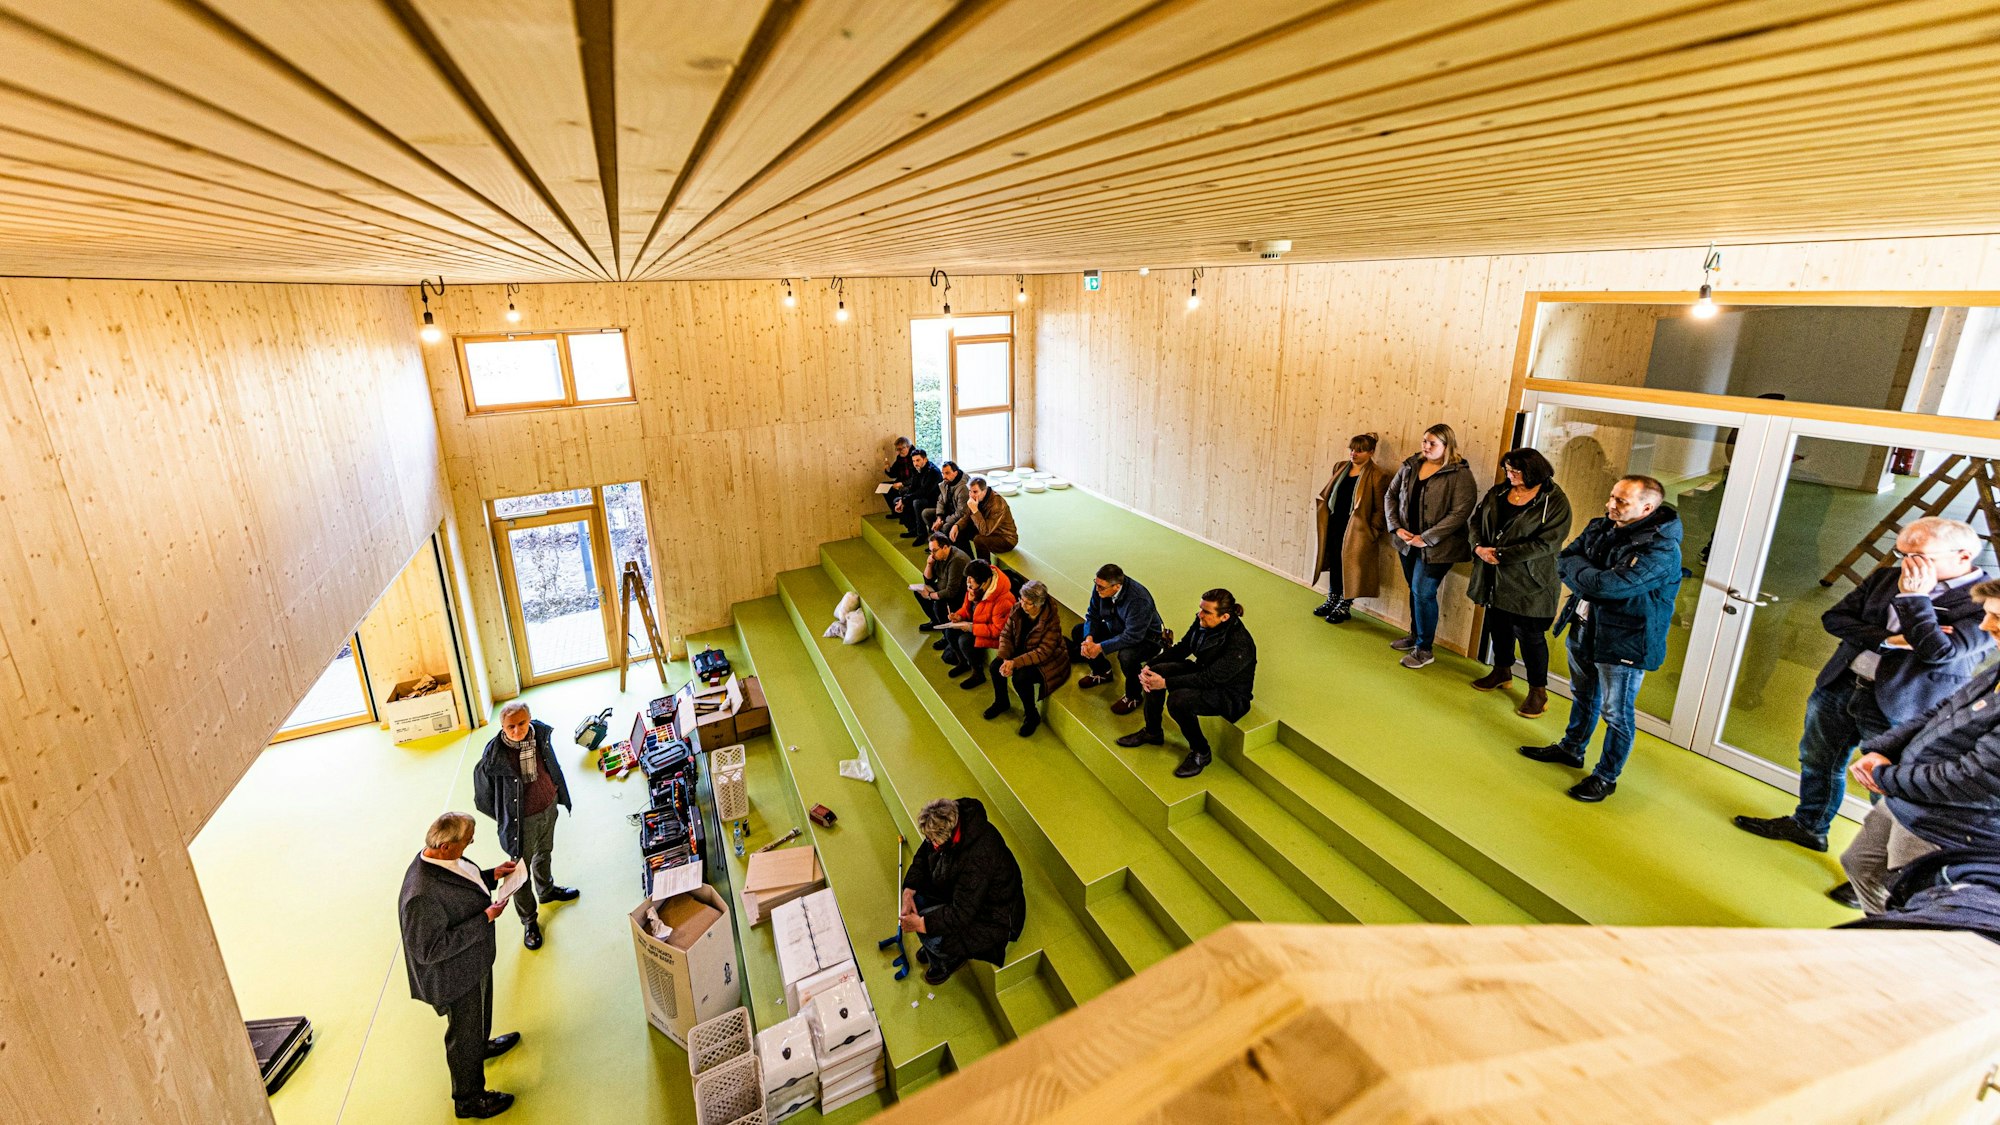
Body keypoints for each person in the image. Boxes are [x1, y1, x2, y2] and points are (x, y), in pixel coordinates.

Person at [1734, 518, 1991, 854]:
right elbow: (1835, 618)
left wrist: (1915, 599)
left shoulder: (1986, 602)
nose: (1908, 565)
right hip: (1841, 685)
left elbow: (1939, 651)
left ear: (1963, 556)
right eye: (1902, 554)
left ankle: (1878, 865)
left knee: (1884, 783)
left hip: (1905, 705)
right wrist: (1889, 640)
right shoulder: (1887, 577)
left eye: (1921, 556)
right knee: (1817, 760)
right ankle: (1809, 825)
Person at [1518, 475, 1684, 802]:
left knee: (1616, 713)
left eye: (1621, 501)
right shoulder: (1602, 526)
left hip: (1624, 643)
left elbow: (1606, 586)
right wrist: (1591, 578)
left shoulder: (1661, 549)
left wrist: (1588, 578)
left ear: (1647, 507)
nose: (1611, 505)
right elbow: (1566, 558)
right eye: (1612, 497)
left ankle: (1606, 777)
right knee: (1583, 694)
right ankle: (1572, 748)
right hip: (1585, 626)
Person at [1840, 577, 2000, 913]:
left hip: (1947, 827)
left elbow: (1972, 778)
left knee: (1908, 904)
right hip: (1908, 799)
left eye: (1997, 618)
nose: (1986, 626)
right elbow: (1943, 711)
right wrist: (1882, 749)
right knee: (1859, 864)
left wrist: (1885, 777)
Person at [398, 812, 521, 1120]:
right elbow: (429, 949)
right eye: (467, 841)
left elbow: (465, 878)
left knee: (480, 1016)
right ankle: (468, 1100)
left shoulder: (444, 860)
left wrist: (493, 874)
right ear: (445, 846)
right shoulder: (420, 895)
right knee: (462, 1037)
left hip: (473, 960)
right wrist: (485, 918)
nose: (471, 843)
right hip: (454, 976)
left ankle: (481, 1046)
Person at [1467, 448, 1573, 718]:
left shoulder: (1555, 501)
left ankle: (1538, 691)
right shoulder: (1499, 492)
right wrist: (1478, 547)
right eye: (1507, 469)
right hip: (1494, 574)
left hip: (1531, 580)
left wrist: (1501, 555)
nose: (1509, 475)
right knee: (1498, 626)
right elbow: (1476, 522)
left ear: (1534, 471)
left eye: (1515, 471)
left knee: (1530, 637)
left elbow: (1546, 543)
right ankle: (1502, 671)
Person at [1115, 588, 1257, 779]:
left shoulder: (1240, 645)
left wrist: (1165, 683)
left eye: (1206, 612)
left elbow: (1209, 679)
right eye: (1200, 609)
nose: (1200, 614)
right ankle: (1152, 732)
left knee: (1178, 701)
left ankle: (1201, 752)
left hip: (1229, 694)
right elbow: (1183, 648)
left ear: (1224, 617)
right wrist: (1149, 666)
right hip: (1203, 671)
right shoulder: (1202, 622)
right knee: (1155, 673)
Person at [472, 702, 577, 951]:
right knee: (519, 874)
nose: (517, 730)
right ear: (502, 727)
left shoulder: (540, 735)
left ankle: (547, 890)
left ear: (530, 718)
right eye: (511, 726)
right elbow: (483, 799)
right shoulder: (493, 756)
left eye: (521, 723)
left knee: (544, 853)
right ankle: (529, 921)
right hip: (521, 822)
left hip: (548, 808)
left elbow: (551, 766)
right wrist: (507, 817)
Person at [900, 797, 1026, 986]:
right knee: (918, 900)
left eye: (934, 840)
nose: (930, 843)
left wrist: (921, 924)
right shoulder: (953, 817)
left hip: (995, 917)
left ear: (947, 836)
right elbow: (924, 853)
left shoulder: (978, 858)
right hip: (970, 896)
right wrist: (909, 890)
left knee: (929, 933)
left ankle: (948, 960)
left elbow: (961, 914)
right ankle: (936, 947)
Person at [1382, 423, 1478, 669]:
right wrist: (1396, 527)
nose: (1426, 446)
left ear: (1446, 446)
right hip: (1407, 542)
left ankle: (1424, 649)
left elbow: (1460, 513)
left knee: (1423, 592)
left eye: (1432, 443)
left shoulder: (1459, 474)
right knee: (1415, 591)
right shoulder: (1411, 465)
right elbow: (1391, 496)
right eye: (1424, 441)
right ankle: (1415, 636)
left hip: (1439, 548)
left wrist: (1426, 538)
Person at [1312, 433, 1389, 624]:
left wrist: (1373, 531)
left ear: (1371, 452)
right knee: (1336, 562)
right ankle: (1332, 598)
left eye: (1360, 450)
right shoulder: (1340, 467)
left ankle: (1345, 605)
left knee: (1351, 566)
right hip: (1335, 524)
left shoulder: (1378, 475)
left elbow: (1381, 509)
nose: (1354, 454)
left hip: (1357, 530)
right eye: (1352, 449)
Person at [1071, 563, 1165, 716]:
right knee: (1079, 631)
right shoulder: (1101, 588)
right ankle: (1102, 672)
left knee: (1127, 656)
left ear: (1116, 587)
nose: (1096, 590)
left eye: (1101, 587)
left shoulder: (1139, 600)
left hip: (1146, 638)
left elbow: (1133, 636)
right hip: (1117, 627)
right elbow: (1092, 615)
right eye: (1095, 584)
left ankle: (1133, 696)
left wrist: (1100, 647)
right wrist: (1089, 639)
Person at [985, 580, 1070, 737]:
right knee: (994, 666)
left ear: (1038, 604)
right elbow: (1006, 633)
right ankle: (1002, 702)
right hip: (1022, 652)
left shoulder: (1051, 621)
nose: (1022, 605)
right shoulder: (1019, 609)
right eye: (1021, 599)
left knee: (1020, 678)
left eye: (1028, 603)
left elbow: (1043, 652)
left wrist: (1015, 663)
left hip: (1048, 662)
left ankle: (1032, 716)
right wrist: (1004, 657)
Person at [940, 560, 1014, 689]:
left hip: (996, 636)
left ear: (984, 583)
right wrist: (959, 616)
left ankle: (977, 673)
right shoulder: (974, 587)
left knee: (965, 640)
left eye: (971, 581)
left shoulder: (1003, 600)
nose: (968, 584)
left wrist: (972, 628)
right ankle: (963, 662)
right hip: (977, 625)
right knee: (950, 632)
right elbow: (966, 608)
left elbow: (999, 630)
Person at [913, 532, 973, 635]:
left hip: (959, 595)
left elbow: (951, 592)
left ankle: (946, 634)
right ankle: (935, 621)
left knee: (938, 605)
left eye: (934, 551)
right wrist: (929, 564)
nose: (932, 554)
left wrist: (930, 595)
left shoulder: (957, 560)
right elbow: (928, 581)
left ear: (945, 547)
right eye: (930, 551)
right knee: (919, 592)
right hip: (943, 588)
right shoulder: (938, 556)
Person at [951, 476, 1018, 560]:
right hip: (987, 528)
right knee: (960, 532)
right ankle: (969, 560)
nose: (971, 495)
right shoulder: (976, 497)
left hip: (1005, 538)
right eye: (970, 491)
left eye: (975, 492)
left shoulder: (997, 504)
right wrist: (957, 525)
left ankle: (984, 569)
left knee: (979, 540)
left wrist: (975, 510)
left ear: (984, 490)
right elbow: (967, 516)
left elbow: (985, 531)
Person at [893, 448, 941, 540]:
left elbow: (924, 491)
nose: (915, 463)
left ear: (925, 459)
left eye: (918, 460)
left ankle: (921, 534)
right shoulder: (917, 469)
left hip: (934, 500)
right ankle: (913, 529)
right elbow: (912, 488)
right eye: (914, 461)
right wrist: (902, 499)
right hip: (923, 496)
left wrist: (904, 499)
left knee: (917, 502)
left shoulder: (934, 472)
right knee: (897, 500)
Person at [926, 460, 969, 537]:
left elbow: (961, 513)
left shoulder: (963, 488)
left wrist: (943, 521)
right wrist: (939, 518)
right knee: (926, 513)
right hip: (948, 512)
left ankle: (944, 545)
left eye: (947, 473)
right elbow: (940, 501)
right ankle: (937, 541)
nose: (944, 477)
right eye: (943, 473)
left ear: (955, 473)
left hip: (961, 518)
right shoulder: (946, 483)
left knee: (945, 527)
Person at [881, 437, 912, 513]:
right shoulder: (899, 458)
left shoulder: (915, 457)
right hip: (900, 481)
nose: (899, 452)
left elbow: (916, 477)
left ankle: (902, 511)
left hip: (910, 483)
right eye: (897, 449)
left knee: (902, 490)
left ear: (908, 447)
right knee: (883, 487)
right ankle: (895, 511)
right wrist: (888, 469)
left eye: (901, 449)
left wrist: (902, 483)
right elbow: (893, 474)